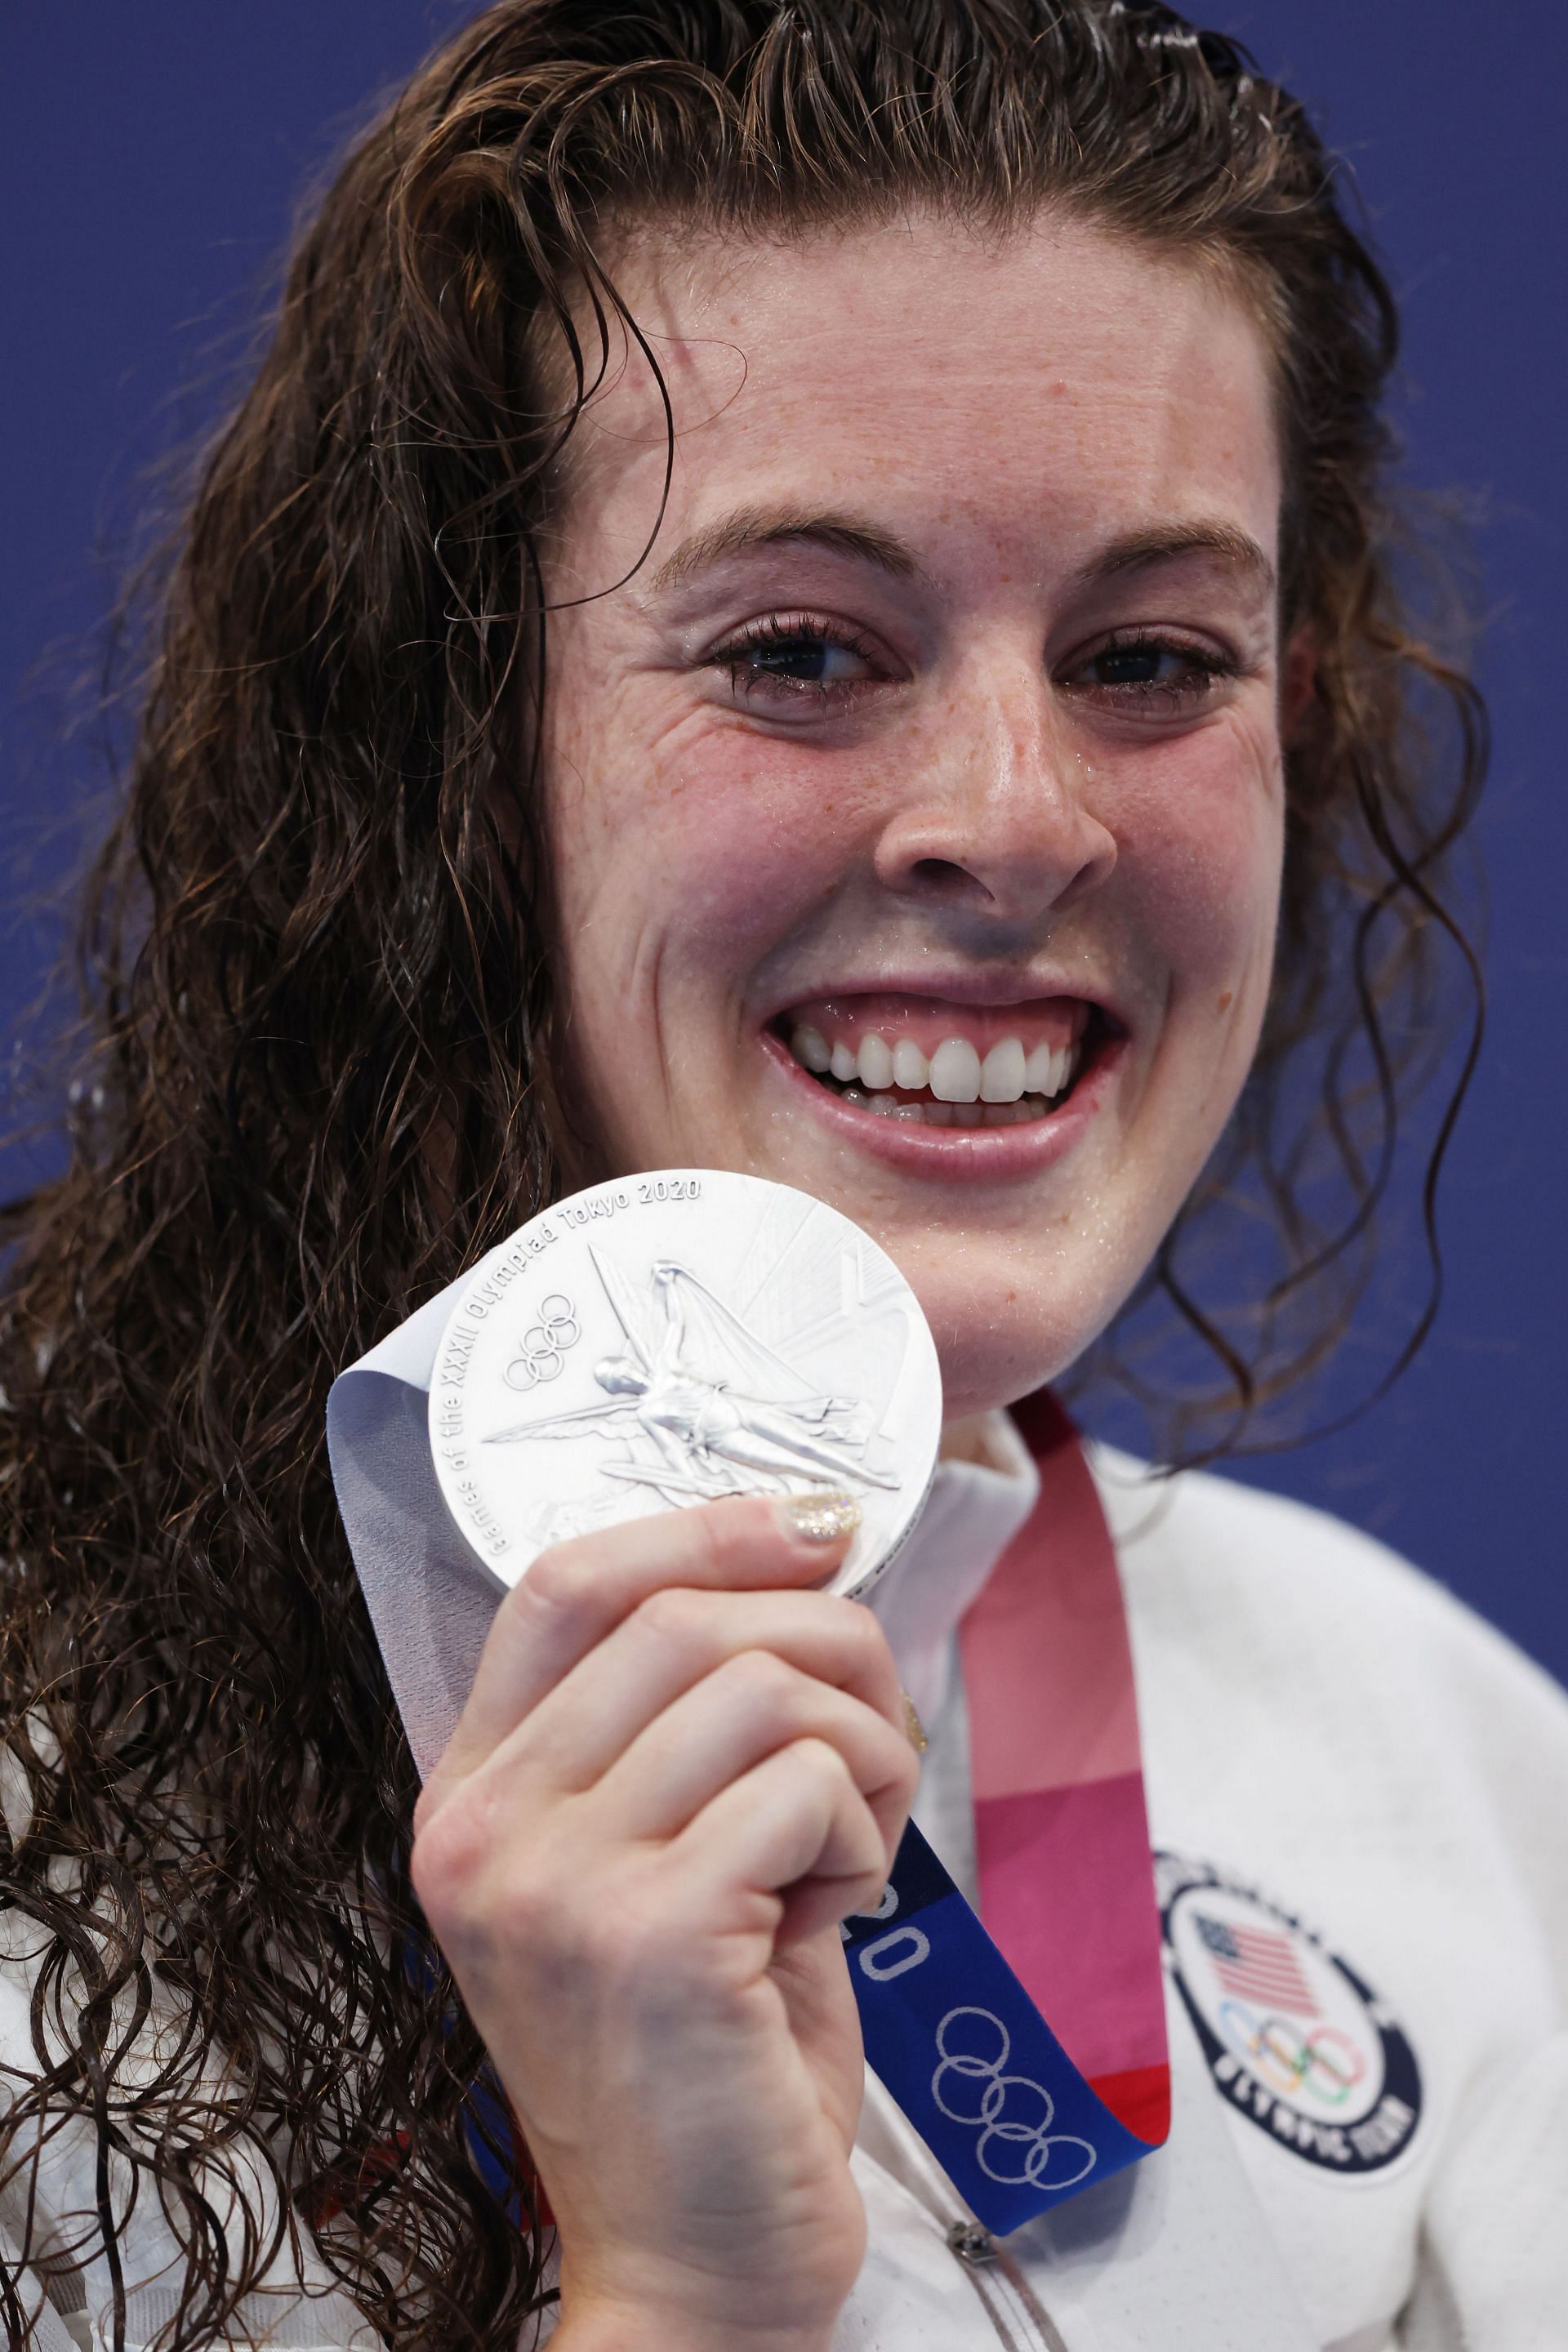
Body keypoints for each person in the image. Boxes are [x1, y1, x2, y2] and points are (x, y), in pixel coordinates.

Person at [1, 3, 1561, 2348]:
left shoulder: (1443, 1766)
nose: (1022, 815)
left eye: (1153, 656)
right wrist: (683, 2304)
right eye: (805, 650)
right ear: (450, 749)